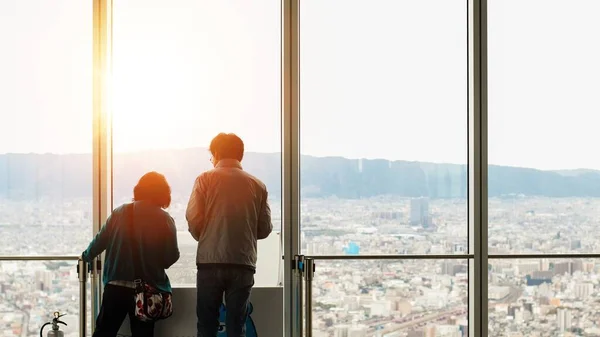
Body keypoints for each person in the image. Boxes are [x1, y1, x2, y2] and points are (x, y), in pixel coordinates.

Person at [187, 133, 273, 337]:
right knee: (237, 325)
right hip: (243, 263)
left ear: (216, 154)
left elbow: (193, 218)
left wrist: (208, 236)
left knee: (207, 324)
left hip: (209, 262)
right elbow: (265, 228)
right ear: (240, 155)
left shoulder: (204, 179)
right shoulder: (258, 185)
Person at [82, 171, 180, 337]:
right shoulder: (164, 218)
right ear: (163, 193)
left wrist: (85, 257)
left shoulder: (120, 212)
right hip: (146, 290)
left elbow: (99, 242)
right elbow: (170, 257)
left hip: (115, 285)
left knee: (104, 331)